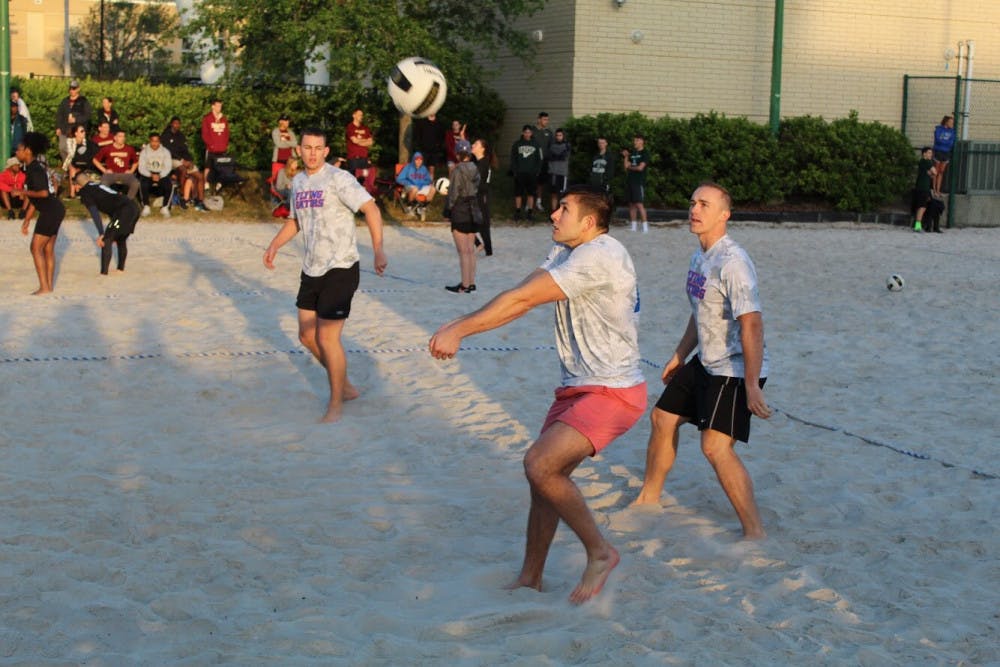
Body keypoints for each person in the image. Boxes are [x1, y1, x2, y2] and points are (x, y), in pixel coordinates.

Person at [430, 184, 646, 604]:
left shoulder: (598, 254)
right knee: (544, 481)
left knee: (540, 465)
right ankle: (531, 577)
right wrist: (464, 321)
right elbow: (522, 295)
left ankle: (600, 552)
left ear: (587, 222)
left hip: (613, 391)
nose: (553, 214)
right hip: (577, 388)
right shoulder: (567, 250)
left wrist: (460, 329)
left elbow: (524, 297)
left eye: (563, 209)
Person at [632, 182, 771, 539]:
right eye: (693, 202)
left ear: (724, 215)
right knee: (663, 418)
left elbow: (752, 324)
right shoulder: (700, 257)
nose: (694, 210)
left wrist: (753, 384)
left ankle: (754, 532)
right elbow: (699, 314)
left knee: (715, 447)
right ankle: (648, 499)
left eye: (704, 205)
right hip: (705, 360)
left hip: (736, 367)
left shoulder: (733, 262)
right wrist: (680, 354)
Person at [263, 128, 388, 423]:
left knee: (327, 337)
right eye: (307, 147)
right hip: (312, 268)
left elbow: (371, 209)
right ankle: (345, 385)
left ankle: (335, 403)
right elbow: (295, 222)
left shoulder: (338, 178)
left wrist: (379, 250)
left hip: (341, 267)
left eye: (318, 148)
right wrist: (274, 246)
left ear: (326, 150)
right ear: (299, 150)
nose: (312, 153)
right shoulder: (299, 182)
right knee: (306, 336)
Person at [15, 133, 66, 294]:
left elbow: (43, 193)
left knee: (35, 248)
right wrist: (27, 220)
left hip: (51, 210)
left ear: (28, 151)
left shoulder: (34, 169)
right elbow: (36, 199)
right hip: (55, 208)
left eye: (19, 149)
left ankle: (44, 287)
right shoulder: (33, 167)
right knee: (47, 249)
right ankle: (48, 286)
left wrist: (22, 192)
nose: (17, 152)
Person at [76, 172, 141, 275]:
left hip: (124, 211)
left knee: (107, 239)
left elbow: (95, 214)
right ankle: (120, 269)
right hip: (134, 207)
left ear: (78, 186)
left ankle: (104, 273)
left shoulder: (85, 192)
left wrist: (102, 233)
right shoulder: (98, 185)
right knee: (120, 237)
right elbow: (113, 204)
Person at [444, 146, 480, 293]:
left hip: (460, 209)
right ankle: (471, 282)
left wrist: (447, 210)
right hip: (473, 208)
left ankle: (464, 285)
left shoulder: (457, 170)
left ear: (458, 154)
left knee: (463, 251)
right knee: (470, 250)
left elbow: (453, 193)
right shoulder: (476, 168)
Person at [162, 116, 207, 211]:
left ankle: (200, 201)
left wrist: (190, 161)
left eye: (178, 123)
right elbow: (169, 151)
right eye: (175, 123)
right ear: (171, 124)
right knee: (182, 168)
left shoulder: (181, 136)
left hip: (184, 160)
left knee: (200, 176)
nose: (177, 125)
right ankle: (182, 196)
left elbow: (185, 150)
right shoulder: (165, 135)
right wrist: (182, 160)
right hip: (171, 159)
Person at [93, 130, 140, 201]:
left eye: (124, 136)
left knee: (135, 183)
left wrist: (131, 171)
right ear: (115, 138)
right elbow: (95, 160)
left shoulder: (129, 149)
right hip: (111, 174)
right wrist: (105, 170)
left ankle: (128, 201)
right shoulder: (107, 148)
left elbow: (136, 162)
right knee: (104, 183)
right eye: (120, 136)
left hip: (125, 174)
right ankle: (109, 201)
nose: (123, 138)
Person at [138, 132, 175, 217]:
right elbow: (141, 167)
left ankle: (165, 207)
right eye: (153, 141)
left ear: (159, 142)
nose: (155, 143)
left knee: (169, 185)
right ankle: (146, 206)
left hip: (161, 173)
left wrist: (160, 175)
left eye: (156, 141)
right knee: (143, 184)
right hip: (148, 173)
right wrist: (150, 175)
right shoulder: (144, 152)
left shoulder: (165, 151)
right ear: (150, 141)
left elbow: (168, 166)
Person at [510, 125, 542, 221]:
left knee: (531, 193)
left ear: (531, 133)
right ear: (523, 133)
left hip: (532, 173)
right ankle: (518, 212)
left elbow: (540, 159)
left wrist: (537, 170)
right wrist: (515, 171)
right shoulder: (517, 144)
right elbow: (513, 158)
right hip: (520, 173)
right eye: (526, 132)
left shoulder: (536, 144)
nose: (527, 134)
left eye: (529, 132)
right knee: (518, 193)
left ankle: (530, 213)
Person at [55, 80, 92, 160]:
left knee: (75, 151)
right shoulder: (65, 101)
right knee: (62, 148)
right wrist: (58, 127)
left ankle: (72, 167)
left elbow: (87, 115)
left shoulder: (83, 101)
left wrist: (76, 119)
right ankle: (68, 166)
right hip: (65, 130)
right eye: (70, 88)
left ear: (78, 89)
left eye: (74, 89)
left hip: (77, 131)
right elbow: (59, 114)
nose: (71, 90)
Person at [395, 151, 436, 220]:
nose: (419, 161)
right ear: (414, 160)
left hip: (421, 186)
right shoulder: (408, 168)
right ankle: (409, 207)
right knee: (415, 189)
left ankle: (423, 207)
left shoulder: (424, 169)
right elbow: (399, 179)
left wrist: (422, 183)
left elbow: (428, 180)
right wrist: (409, 182)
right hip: (410, 186)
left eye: (420, 160)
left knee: (433, 189)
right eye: (417, 160)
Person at [345, 108, 377, 196]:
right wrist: (364, 141)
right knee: (354, 182)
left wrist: (360, 141)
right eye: (359, 114)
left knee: (367, 179)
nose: (361, 116)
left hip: (364, 158)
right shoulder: (350, 127)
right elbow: (354, 140)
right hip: (353, 159)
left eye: (362, 115)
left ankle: (366, 199)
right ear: (354, 115)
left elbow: (370, 142)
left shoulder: (365, 128)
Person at [471, 138, 494, 256]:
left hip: (481, 196)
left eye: (476, 144)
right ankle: (481, 245)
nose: (472, 145)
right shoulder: (478, 162)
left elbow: (477, 183)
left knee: (483, 225)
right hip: (477, 196)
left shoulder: (483, 164)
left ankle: (487, 250)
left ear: (482, 149)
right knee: (463, 222)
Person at [623, 134, 649, 233]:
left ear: (642, 141)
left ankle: (645, 227)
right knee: (631, 205)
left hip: (639, 182)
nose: (635, 142)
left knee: (639, 204)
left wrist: (630, 167)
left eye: (637, 140)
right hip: (630, 181)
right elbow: (625, 167)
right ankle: (633, 226)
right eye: (634, 140)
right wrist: (626, 157)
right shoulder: (632, 152)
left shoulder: (645, 153)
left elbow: (640, 168)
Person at [201, 98, 230, 188]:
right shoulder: (207, 118)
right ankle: (206, 184)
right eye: (217, 106)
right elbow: (205, 134)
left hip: (222, 148)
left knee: (222, 166)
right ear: (212, 106)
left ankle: (219, 184)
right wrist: (211, 145)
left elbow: (227, 133)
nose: (219, 108)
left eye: (220, 106)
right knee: (208, 166)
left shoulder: (223, 119)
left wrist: (225, 144)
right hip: (211, 148)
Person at [62, 124, 98, 198]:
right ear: (76, 133)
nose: (84, 132)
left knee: (74, 170)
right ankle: (73, 193)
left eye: (84, 131)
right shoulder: (70, 142)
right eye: (82, 131)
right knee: (72, 168)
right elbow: (71, 156)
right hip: (73, 164)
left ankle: (75, 191)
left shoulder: (88, 143)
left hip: (86, 164)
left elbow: (90, 155)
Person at [912, 146, 937, 233]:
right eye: (929, 153)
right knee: (922, 207)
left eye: (931, 153)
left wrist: (931, 173)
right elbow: (935, 172)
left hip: (924, 187)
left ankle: (919, 225)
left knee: (923, 207)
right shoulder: (926, 161)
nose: (931, 154)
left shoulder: (925, 162)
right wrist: (932, 172)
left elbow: (932, 174)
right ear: (924, 154)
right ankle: (917, 226)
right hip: (922, 188)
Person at [533, 112, 554, 212]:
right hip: (532, 161)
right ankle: (529, 204)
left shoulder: (549, 133)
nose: (546, 121)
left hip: (544, 162)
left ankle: (538, 201)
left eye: (547, 119)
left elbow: (552, 148)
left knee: (540, 183)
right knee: (531, 181)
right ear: (539, 120)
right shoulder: (532, 131)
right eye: (544, 119)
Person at [547, 128, 571, 213]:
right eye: (557, 135)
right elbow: (550, 157)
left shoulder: (567, 145)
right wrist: (556, 156)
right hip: (553, 173)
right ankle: (553, 213)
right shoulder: (551, 145)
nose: (558, 137)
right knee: (553, 194)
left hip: (562, 173)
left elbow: (564, 157)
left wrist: (556, 156)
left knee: (562, 194)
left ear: (563, 136)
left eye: (560, 135)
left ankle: (561, 213)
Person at [932, 115, 956, 197]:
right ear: (946, 122)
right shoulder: (938, 129)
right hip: (938, 151)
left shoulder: (952, 131)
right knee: (936, 171)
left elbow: (951, 143)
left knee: (941, 171)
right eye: (951, 122)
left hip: (946, 152)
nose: (952, 124)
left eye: (953, 123)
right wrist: (945, 142)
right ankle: (934, 189)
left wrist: (944, 141)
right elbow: (938, 140)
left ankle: (938, 190)